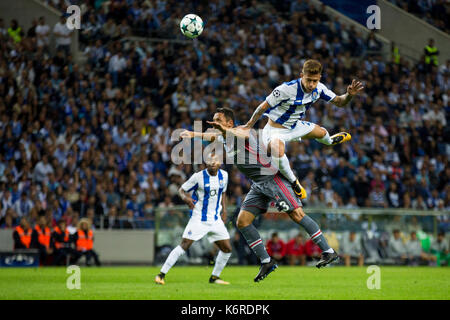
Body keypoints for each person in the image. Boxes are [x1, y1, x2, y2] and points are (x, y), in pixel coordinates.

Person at [181, 107, 338, 282]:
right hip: (259, 184)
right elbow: (211, 136)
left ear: (230, 123)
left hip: (272, 177)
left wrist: (221, 130)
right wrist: (192, 134)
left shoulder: (242, 131)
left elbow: (238, 135)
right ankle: (266, 261)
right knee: (242, 221)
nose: (214, 124)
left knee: (297, 214)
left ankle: (328, 251)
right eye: (214, 120)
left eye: (218, 120)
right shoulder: (223, 137)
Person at [242, 59, 364, 200]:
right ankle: (294, 182)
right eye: (308, 80)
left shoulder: (320, 89)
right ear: (301, 75)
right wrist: (249, 125)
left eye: (315, 80)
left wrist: (349, 95)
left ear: (319, 78)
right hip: (274, 130)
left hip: (295, 126)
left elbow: (340, 102)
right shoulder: (285, 89)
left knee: (323, 134)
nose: (311, 84)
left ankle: (330, 141)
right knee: (278, 149)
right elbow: (263, 106)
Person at [155, 154, 232, 285]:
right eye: (210, 161)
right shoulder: (198, 177)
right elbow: (181, 190)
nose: (213, 163)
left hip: (215, 219)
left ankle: (214, 277)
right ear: (206, 163)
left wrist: (224, 210)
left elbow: (223, 192)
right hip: (199, 218)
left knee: (226, 249)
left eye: (216, 161)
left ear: (220, 163)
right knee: (185, 244)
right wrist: (186, 199)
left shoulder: (224, 175)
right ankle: (161, 274)